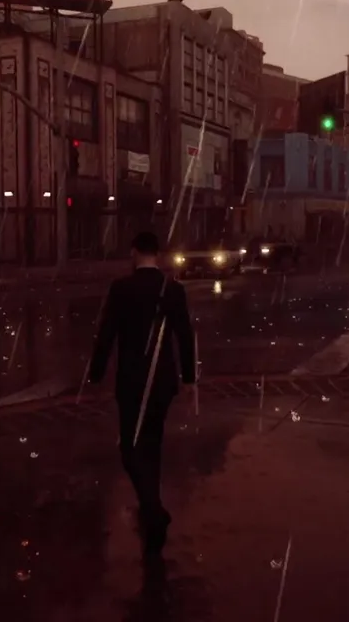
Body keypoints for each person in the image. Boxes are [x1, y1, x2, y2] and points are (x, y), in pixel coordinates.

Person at [88, 231, 197, 559]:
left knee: (129, 447)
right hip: (161, 380)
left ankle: (152, 508)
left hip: (132, 380)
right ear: (158, 254)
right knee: (152, 443)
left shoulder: (121, 289)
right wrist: (189, 378)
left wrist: (95, 372)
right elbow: (185, 334)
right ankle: (152, 506)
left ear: (134, 252)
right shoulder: (172, 289)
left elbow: (107, 332)